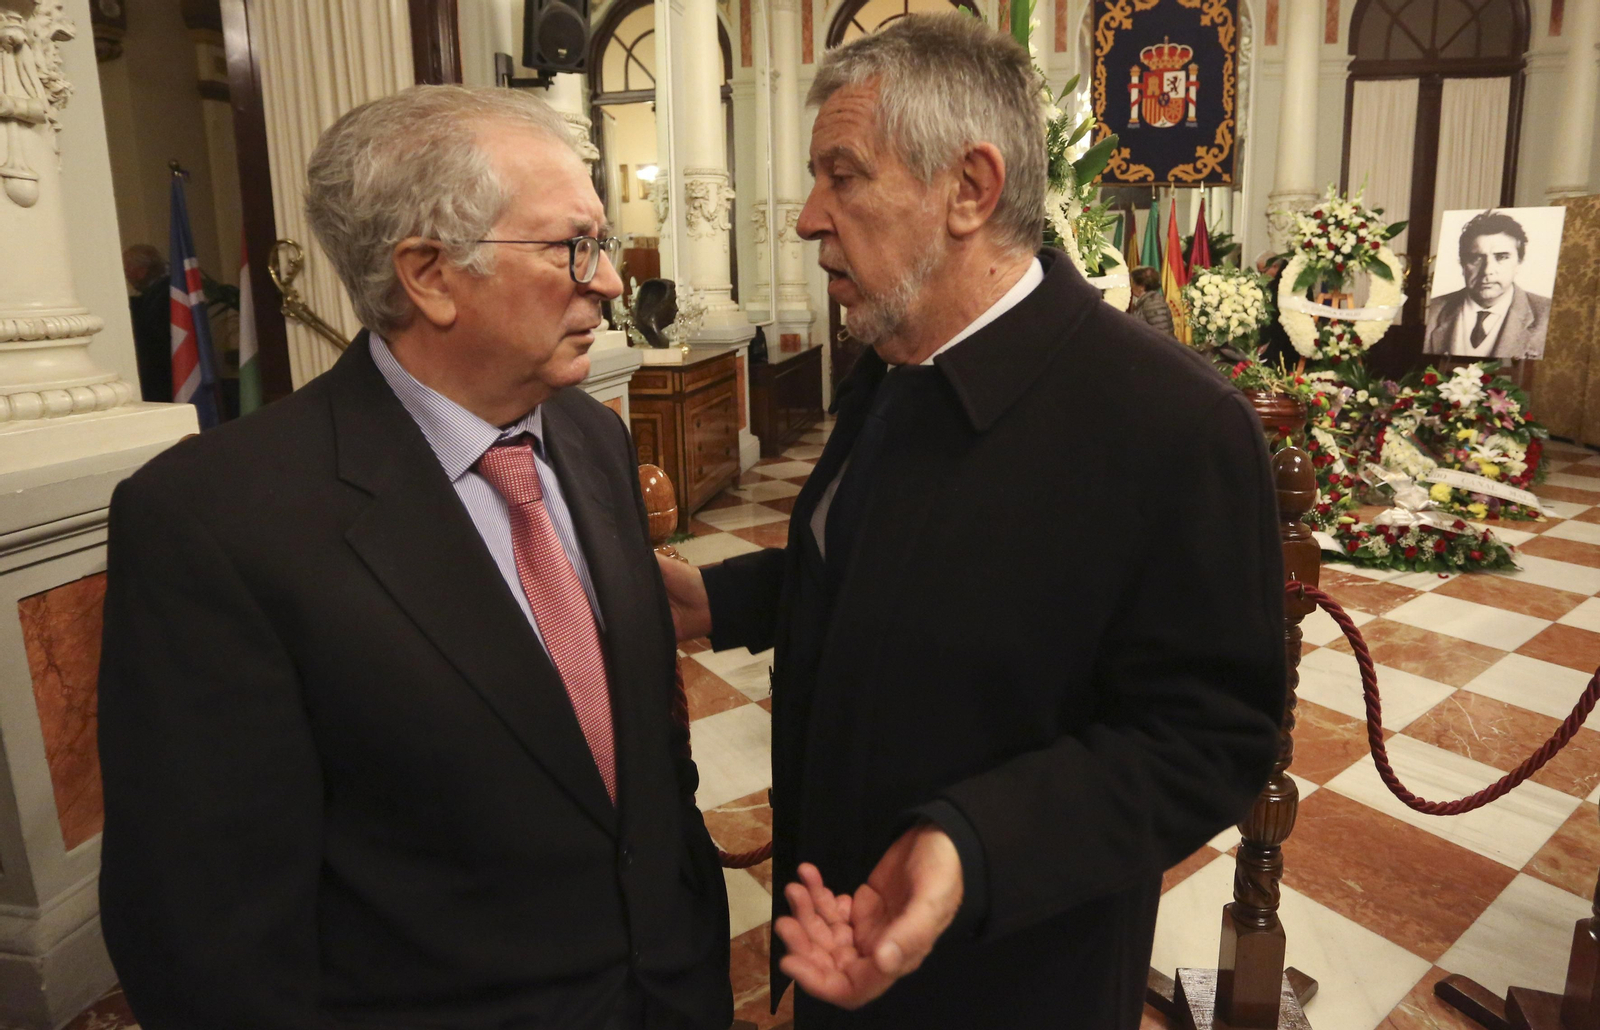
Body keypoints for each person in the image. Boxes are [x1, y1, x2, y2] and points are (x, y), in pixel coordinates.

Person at [655, 14, 1284, 1030]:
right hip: (839, 928)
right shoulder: (895, 364)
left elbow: (1207, 735)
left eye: (842, 174)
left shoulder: (1174, 426)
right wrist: (717, 597)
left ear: (970, 188)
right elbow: (889, 565)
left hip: (1010, 972)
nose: (808, 215)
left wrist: (972, 844)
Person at [97, 86, 731, 1030]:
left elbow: (644, 763)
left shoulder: (592, 440)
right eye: (573, 247)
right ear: (430, 274)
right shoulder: (213, 525)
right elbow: (208, 940)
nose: (608, 281)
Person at [1426, 209, 1551, 359]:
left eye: (1501, 257)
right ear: (1462, 264)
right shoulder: (1433, 310)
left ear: (1519, 263)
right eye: (1476, 258)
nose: (1487, 271)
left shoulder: (1547, 314)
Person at [123, 243, 172, 402]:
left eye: (127, 270)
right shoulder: (168, 290)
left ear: (141, 271)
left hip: (163, 377)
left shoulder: (163, 296)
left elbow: (156, 338)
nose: (126, 277)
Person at [1128, 264, 1175, 334]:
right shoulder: (1149, 301)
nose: (1131, 286)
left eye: (1133, 282)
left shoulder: (1152, 303)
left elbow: (1162, 334)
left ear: (1141, 286)